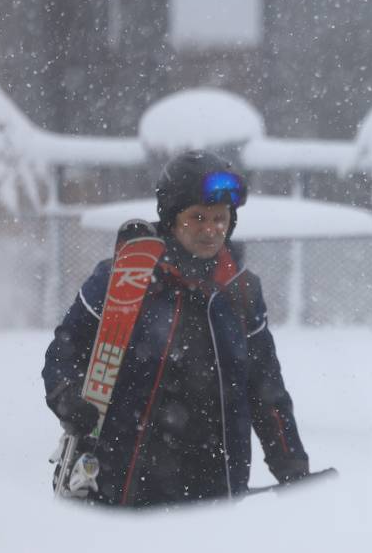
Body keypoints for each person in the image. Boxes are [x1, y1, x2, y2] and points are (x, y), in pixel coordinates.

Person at [42, 150, 309, 506]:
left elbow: (267, 389)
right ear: (171, 220)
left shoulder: (241, 291)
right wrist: (66, 396)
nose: (211, 229)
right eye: (197, 218)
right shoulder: (122, 279)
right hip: (125, 486)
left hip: (216, 488)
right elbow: (66, 348)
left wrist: (292, 466)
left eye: (220, 218)